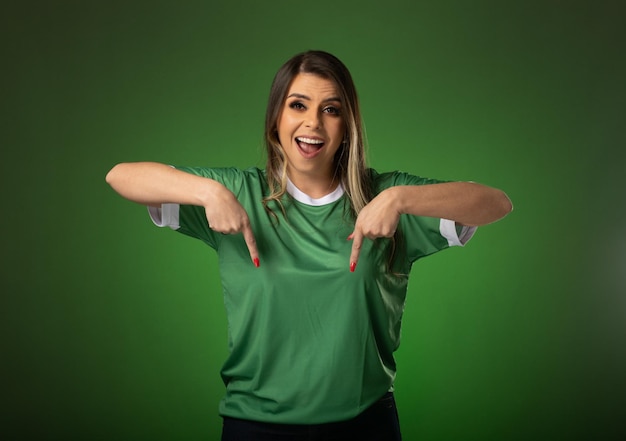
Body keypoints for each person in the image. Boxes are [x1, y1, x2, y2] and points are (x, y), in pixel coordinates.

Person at [106, 50, 512, 441]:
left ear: (347, 125)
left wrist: (400, 198)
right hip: (254, 425)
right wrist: (208, 192)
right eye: (298, 105)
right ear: (276, 119)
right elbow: (121, 176)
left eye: (331, 109)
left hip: (365, 426)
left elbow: (495, 203)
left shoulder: (385, 197)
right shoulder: (239, 193)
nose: (313, 123)